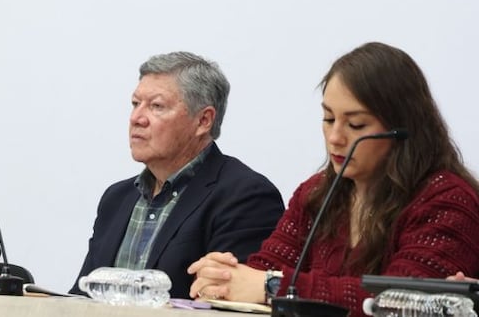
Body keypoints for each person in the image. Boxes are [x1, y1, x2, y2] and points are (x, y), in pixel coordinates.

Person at [189, 42, 479, 316]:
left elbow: (400, 302)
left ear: (402, 129)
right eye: (328, 119)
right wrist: (224, 278)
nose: (336, 137)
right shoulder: (316, 193)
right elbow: (265, 269)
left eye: (356, 124)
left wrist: (273, 286)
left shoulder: (446, 200)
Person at [72, 51, 284, 299]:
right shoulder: (116, 198)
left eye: (156, 106)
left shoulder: (246, 197)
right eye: (135, 104)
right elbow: (82, 296)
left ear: (203, 120)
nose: (136, 118)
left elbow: (231, 305)